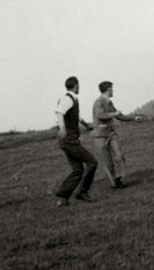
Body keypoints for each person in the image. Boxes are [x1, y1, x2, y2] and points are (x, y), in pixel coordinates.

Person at [92, 81, 145, 189]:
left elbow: (119, 116)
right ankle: (115, 184)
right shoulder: (99, 102)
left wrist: (134, 118)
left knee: (119, 156)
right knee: (108, 162)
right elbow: (100, 115)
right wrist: (114, 114)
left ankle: (119, 178)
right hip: (100, 136)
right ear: (107, 90)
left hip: (111, 134)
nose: (113, 91)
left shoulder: (109, 102)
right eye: (111, 89)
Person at [54, 76, 97, 207]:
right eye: (79, 85)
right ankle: (82, 192)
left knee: (78, 170)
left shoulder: (72, 99)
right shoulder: (67, 99)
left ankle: (62, 197)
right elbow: (59, 113)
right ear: (76, 86)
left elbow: (76, 116)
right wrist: (62, 128)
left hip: (68, 140)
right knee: (92, 162)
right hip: (69, 140)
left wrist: (87, 125)